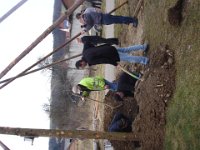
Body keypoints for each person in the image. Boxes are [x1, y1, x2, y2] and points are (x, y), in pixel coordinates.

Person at [75, 43, 149, 69]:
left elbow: (103, 60)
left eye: (82, 67)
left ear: (81, 63)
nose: (84, 67)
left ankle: (144, 60)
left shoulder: (90, 61)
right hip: (109, 48)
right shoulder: (84, 52)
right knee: (126, 49)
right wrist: (96, 48)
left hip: (112, 55)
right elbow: (87, 43)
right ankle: (143, 47)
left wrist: (114, 63)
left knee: (129, 58)